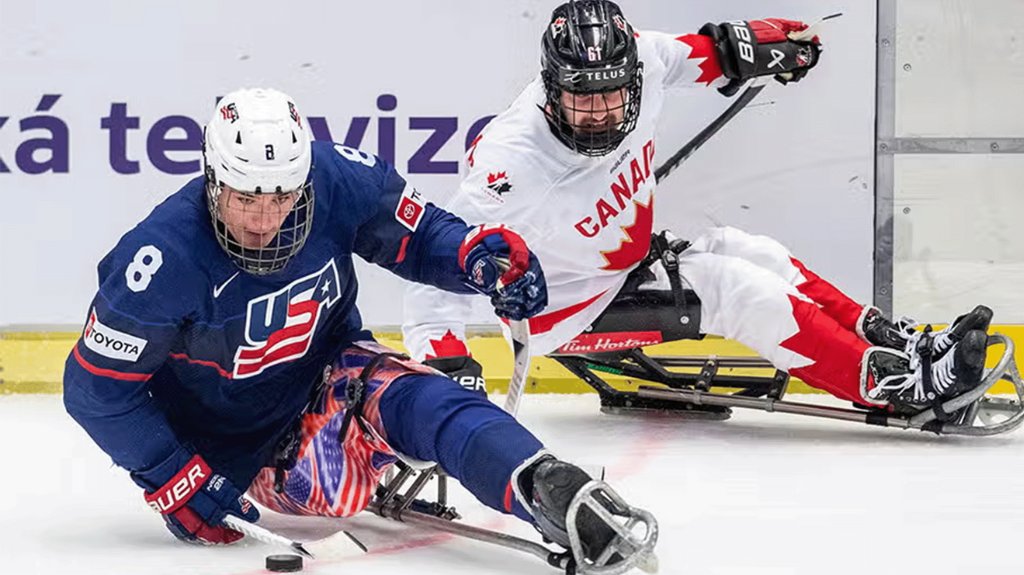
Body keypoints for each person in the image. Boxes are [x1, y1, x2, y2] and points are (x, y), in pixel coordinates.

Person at [63, 87, 652, 569]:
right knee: (338, 491)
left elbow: (420, 238)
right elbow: (96, 387)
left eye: (283, 197)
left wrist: (474, 258)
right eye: (246, 198)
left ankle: (547, 483)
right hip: (232, 446)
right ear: (213, 181)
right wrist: (170, 473)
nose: (267, 219)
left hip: (331, 367)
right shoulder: (160, 259)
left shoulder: (337, 177)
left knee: (423, 398)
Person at [403, 0, 991, 416]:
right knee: (734, 288)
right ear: (550, 88)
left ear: (632, 79)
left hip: (620, 267)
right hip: (568, 311)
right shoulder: (513, 167)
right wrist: (448, 376)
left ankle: (896, 344)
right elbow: (433, 281)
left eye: (611, 94)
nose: (600, 114)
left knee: (754, 251)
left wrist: (760, 48)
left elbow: (702, 54)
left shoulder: (645, 61)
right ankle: (893, 385)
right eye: (580, 99)